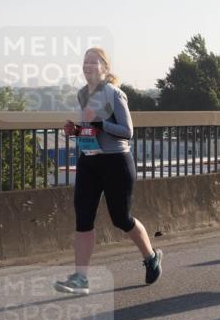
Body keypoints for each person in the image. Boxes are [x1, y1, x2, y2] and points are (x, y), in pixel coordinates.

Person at [55, 48, 163, 295]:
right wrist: (76, 131)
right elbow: (91, 130)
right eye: (85, 62)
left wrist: (101, 123)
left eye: (93, 62)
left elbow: (127, 131)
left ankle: (151, 257)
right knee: (83, 218)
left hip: (116, 163)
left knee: (121, 218)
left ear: (105, 67)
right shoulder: (83, 94)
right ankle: (80, 278)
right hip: (89, 161)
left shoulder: (114, 93)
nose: (88, 66)